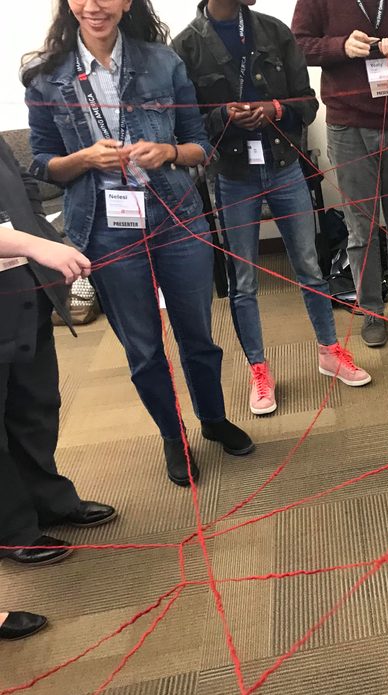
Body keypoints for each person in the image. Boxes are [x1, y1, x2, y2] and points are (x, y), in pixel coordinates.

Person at [24, 0, 254, 487]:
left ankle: (212, 420)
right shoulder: (46, 78)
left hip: (176, 218)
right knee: (144, 347)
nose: (93, 6)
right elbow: (42, 165)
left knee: (198, 335)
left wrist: (169, 151)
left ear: (127, 1)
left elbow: (200, 145)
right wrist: (84, 158)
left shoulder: (163, 61)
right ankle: (173, 436)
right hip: (104, 228)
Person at [174, 0, 371, 417]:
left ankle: (329, 351)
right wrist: (222, 115)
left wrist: (275, 109)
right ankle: (259, 371)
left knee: (309, 267)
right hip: (231, 174)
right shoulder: (187, 47)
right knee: (242, 281)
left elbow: (308, 102)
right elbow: (184, 123)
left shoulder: (274, 31)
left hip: (284, 166)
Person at [292, 0, 388, 349]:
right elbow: (297, 46)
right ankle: (371, 307)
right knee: (362, 227)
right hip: (348, 124)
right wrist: (340, 46)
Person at [1, 133, 117, 567]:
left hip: (23, 291)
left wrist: (48, 241)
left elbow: (24, 198)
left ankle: (48, 499)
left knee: (35, 405)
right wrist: (33, 245)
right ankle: (12, 530)